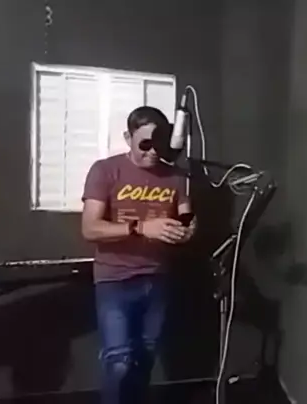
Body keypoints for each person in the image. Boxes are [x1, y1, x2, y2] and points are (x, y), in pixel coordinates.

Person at [81, 106, 196, 404]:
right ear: (127, 137)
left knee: (145, 359)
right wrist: (142, 227)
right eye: (145, 144)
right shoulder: (105, 170)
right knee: (119, 363)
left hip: (158, 279)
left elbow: (187, 216)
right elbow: (90, 228)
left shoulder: (176, 177)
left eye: (158, 144)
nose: (152, 152)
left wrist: (187, 230)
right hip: (114, 280)